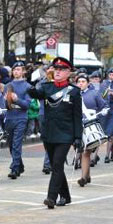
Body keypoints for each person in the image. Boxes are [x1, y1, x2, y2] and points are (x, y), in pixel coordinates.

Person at [28, 57, 83, 209]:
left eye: (61, 70)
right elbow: (34, 94)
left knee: (57, 164)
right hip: (49, 132)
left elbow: (77, 116)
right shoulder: (47, 87)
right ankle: (65, 195)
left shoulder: (74, 91)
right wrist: (32, 82)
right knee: (55, 166)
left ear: (68, 72)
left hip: (65, 134)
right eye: (56, 69)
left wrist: (78, 136)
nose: (58, 72)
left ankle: (51, 198)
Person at [76, 74, 108, 186]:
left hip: (91, 125)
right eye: (79, 81)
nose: (80, 83)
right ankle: (87, 175)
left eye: (83, 81)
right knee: (81, 151)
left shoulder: (94, 93)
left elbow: (104, 106)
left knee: (86, 151)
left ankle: (83, 178)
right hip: (78, 126)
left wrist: (104, 110)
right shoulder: (74, 95)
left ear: (88, 83)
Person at [4, 61, 31, 179]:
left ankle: (14, 168)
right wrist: (6, 101)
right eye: (15, 70)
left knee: (16, 144)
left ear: (23, 71)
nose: (16, 72)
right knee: (10, 144)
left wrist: (17, 99)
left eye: (19, 69)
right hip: (10, 117)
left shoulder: (28, 86)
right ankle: (19, 164)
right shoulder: (8, 86)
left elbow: (27, 104)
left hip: (21, 117)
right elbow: (4, 105)